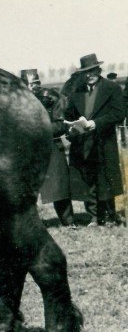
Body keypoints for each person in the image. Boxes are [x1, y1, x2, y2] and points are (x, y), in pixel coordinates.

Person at [65, 53, 125, 226]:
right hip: (83, 142)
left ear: (99, 70)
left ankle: (110, 215)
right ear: (82, 74)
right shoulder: (77, 91)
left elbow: (119, 114)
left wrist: (96, 123)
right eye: (86, 72)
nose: (89, 75)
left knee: (106, 178)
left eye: (92, 71)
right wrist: (72, 126)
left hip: (103, 141)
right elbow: (70, 115)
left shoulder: (111, 88)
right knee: (87, 179)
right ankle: (93, 216)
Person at [21, 69, 74, 226]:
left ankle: (68, 221)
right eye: (29, 84)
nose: (33, 87)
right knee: (28, 190)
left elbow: (61, 124)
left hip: (51, 146)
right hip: (27, 150)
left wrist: (39, 128)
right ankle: (33, 223)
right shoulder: (17, 101)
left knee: (59, 186)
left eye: (36, 83)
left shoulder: (51, 97)